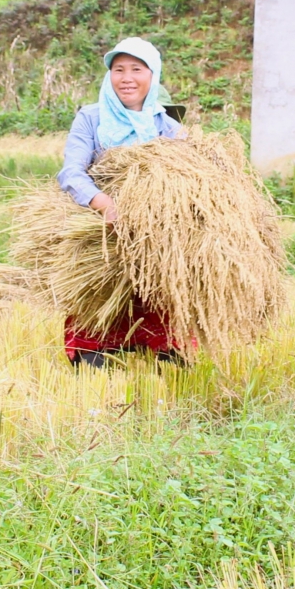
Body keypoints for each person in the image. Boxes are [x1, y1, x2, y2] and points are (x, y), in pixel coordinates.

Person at [56, 37, 185, 368]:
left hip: (153, 236)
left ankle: (159, 351)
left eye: (136, 69)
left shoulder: (168, 128)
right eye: (118, 70)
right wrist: (105, 204)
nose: (127, 78)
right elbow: (71, 173)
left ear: (152, 75)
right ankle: (94, 352)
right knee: (98, 319)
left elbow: (185, 182)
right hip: (99, 231)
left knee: (158, 311)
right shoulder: (91, 118)